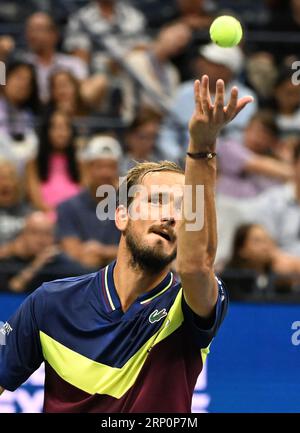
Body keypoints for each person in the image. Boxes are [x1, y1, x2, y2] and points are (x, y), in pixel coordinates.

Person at [0, 75, 250, 412]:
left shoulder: (187, 306)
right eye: (159, 200)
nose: (172, 216)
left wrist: (202, 149)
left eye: (184, 208)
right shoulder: (50, 304)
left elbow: (197, 265)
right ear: (121, 216)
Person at [157, 43, 257, 162]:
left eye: (214, 64)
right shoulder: (183, 92)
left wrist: (217, 159)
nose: (203, 65)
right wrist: (177, 156)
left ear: (229, 70)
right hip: (182, 162)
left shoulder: (245, 97)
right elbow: (169, 130)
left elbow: (243, 139)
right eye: (205, 61)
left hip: (229, 169)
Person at [56, 135, 122, 269]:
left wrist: (102, 251)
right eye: (100, 166)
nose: (106, 173)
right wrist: (113, 253)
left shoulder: (129, 207)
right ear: (87, 169)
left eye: (111, 167)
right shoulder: (67, 207)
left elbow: (136, 250)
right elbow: (72, 250)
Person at [0, 212, 89, 294]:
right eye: (35, 233)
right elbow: (12, 290)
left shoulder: (57, 261)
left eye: (47, 234)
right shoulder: (9, 260)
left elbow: (86, 278)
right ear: (23, 235)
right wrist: (36, 266)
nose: (41, 240)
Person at [217, 111, 292, 198]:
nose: (257, 138)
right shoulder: (230, 147)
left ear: (273, 141)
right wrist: (295, 172)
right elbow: (258, 164)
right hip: (223, 202)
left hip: (257, 206)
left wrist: (286, 159)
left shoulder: (273, 160)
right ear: (246, 129)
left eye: (265, 135)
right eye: (255, 131)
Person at [63, 0, 147, 73]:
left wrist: (123, 61)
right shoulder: (80, 19)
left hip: (132, 68)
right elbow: (80, 58)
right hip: (99, 74)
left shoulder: (133, 15)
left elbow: (143, 47)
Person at [24, 12, 88, 102]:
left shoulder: (74, 63)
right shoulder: (21, 64)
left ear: (54, 35)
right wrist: (1, 59)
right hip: (32, 113)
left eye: (38, 29)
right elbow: (2, 87)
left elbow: (83, 96)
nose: (33, 35)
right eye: (30, 30)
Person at [26, 111, 82, 212]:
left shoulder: (80, 163)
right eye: (56, 128)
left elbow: (84, 196)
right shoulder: (33, 163)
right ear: (46, 131)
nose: (61, 133)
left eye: (66, 128)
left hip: (75, 217)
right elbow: (35, 200)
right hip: (45, 218)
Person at [0, 61, 40, 174]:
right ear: (6, 79)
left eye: (28, 81)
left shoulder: (30, 116)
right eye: (19, 77)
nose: (23, 84)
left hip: (22, 179)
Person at [120, 110, 165, 175]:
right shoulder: (119, 165)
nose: (147, 142)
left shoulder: (161, 165)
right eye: (142, 137)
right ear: (129, 136)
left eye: (152, 137)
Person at [0, 160, 31, 251]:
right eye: (1, 178)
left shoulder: (31, 214)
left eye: (11, 178)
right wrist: (10, 250)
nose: (6, 184)